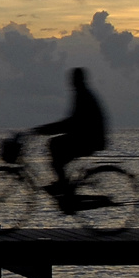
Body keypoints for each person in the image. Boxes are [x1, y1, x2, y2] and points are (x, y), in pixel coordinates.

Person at [31, 68, 107, 196]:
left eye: (73, 79)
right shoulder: (83, 94)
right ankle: (64, 185)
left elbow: (73, 122)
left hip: (90, 139)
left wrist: (46, 129)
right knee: (57, 153)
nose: (71, 82)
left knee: (54, 145)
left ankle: (64, 186)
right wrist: (48, 129)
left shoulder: (83, 96)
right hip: (88, 137)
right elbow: (72, 122)